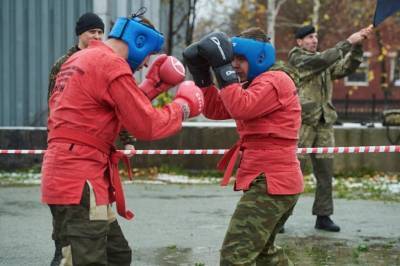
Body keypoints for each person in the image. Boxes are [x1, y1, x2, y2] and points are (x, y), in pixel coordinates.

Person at [41, 10, 204, 265]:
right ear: (140, 42)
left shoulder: (81, 59)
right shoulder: (109, 63)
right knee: (84, 260)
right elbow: (145, 125)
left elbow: (100, 112)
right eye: (149, 55)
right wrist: (182, 107)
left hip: (73, 172)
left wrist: (150, 88)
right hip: (80, 179)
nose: (147, 63)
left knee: (116, 255)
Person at [183, 27, 303, 265]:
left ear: (259, 57)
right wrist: (202, 75)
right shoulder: (253, 84)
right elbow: (215, 109)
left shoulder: (275, 80)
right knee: (264, 254)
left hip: (272, 181)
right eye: (232, 59)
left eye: (241, 59)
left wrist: (223, 71)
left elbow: (241, 107)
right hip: (270, 180)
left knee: (234, 255)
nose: (235, 65)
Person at [288, 24, 373, 232]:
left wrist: (357, 48)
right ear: (299, 42)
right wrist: (348, 42)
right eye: (309, 37)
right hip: (304, 124)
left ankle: (323, 216)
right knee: (292, 172)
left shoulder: (323, 59)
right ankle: (280, 217)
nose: (314, 40)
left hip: (325, 123)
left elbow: (345, 68)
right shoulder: (298, 59)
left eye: (315, 36)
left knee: (325, 174)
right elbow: (322, 60)